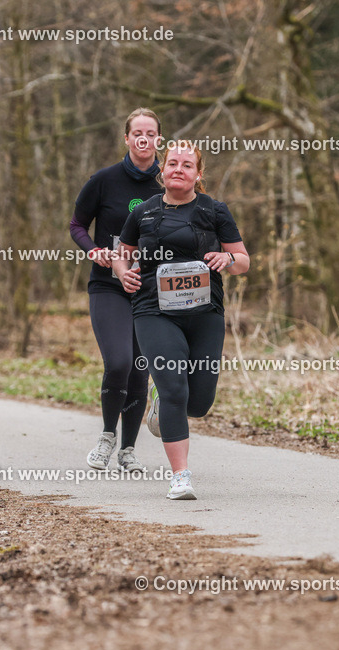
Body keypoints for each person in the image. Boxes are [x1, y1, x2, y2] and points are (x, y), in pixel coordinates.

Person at [113, 142, 249, 499]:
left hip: (205, 313)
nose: (178, 169)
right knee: (175, 388)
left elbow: (243, 260)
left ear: (198, 174)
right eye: (172, 163)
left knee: (199, 401)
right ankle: (180, 476)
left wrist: (227, 261)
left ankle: (162, 402)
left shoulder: (214, 211)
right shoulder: (142, 212)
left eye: (187, 165)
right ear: (163, 169)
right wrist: (124, 274)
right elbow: (121, 255)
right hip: (153, 311)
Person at [70, 108, 164, 472]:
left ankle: (128, 449)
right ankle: (107, 437)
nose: (143, 138)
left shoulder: (168, 183)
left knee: (140, 369)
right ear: (126, 138)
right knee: (120, 361)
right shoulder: (104, 180)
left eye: (150, 133)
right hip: (108, 286)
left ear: (159, 139)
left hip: (150, 289)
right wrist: (92, 249)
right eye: (136, 132)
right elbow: (77, 223)